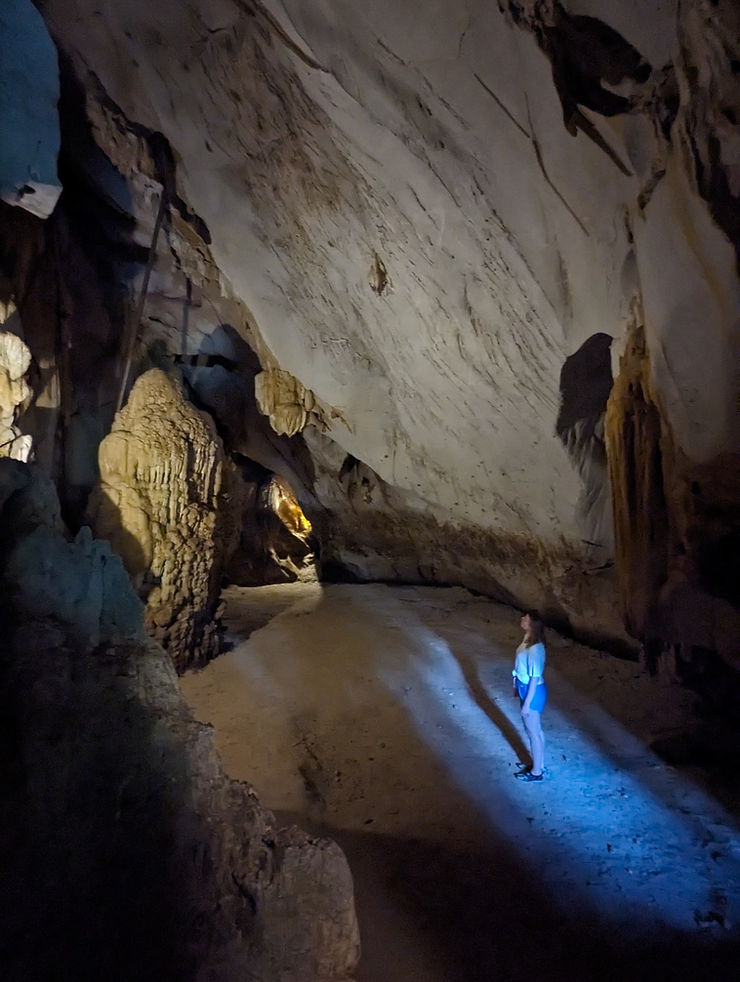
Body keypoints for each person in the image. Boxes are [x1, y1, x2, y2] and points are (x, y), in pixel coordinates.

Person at [512, 611, 547, 781]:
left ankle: (536, 772)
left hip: (532, 691)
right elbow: (522, 668)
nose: (522, 620)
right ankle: (538, 764)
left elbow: (534, 677)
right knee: (536, 730)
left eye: (525, 619)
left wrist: (527, 703)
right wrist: (516, 686)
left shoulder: (535, 648)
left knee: (533, 732)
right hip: (525, 687)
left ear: (532, 624)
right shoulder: (528, 640)